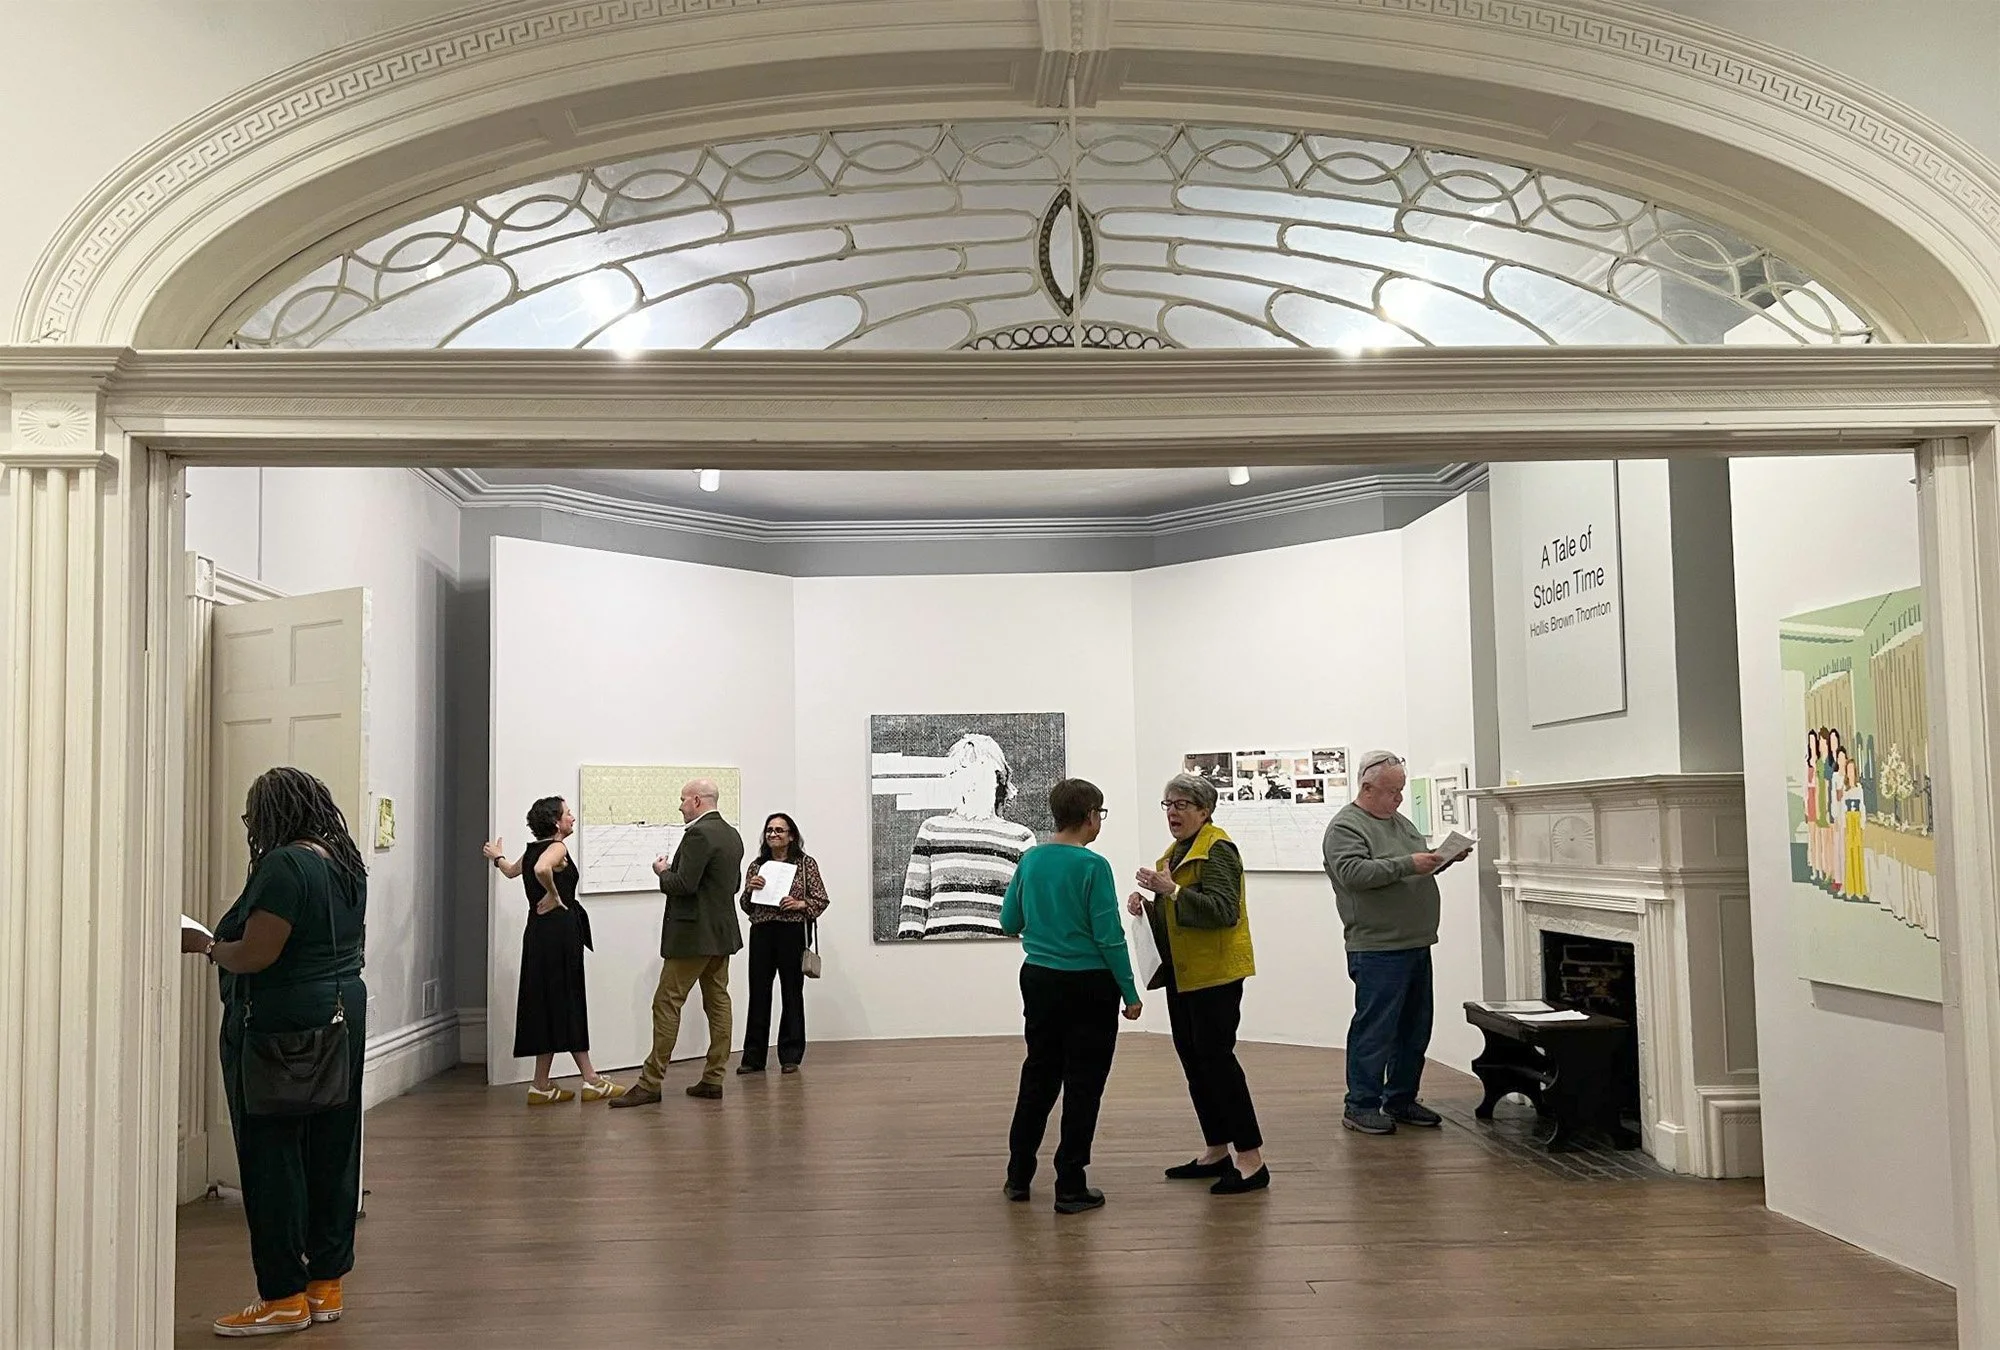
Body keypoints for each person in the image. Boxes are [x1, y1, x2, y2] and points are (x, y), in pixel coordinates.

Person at [179, 767, 369, 1338]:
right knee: (332, 1149)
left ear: (270, 816)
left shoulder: (285, 865)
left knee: (273, 1159)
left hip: (280, 1027)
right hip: (340, 1013)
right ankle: (325, 1286)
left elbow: (258, 954)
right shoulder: (344, 862)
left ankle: (284, 1296)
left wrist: (208, 945)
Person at [1000, 778, 1143, 1213]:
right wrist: (1130, 991)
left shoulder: (1031, 859)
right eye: (1100, 814)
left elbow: (1009, 921)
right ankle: (1070, 1184)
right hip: (1089, 986)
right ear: (1089, 816)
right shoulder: (1093, 866)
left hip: (1039, 978)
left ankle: (1018, 1176)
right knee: (1084, 1085)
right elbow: (1109, 935)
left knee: (1038, 1076)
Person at [1128, 772, 1269, 1195]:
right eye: (1168, 804)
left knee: (1219, 1063)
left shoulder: (1218, 849)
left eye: (1182, 805)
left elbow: (1223, 911)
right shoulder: (1173, 854)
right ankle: (1216, 1149)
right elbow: (1179, 919)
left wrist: (1170, 892)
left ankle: (1251, 1159)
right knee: (1195, 1062)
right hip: (1183, 976)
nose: (1172, 812)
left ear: (1204, 811)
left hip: (1216, 976)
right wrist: (1146, 908)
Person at [1322, 749, 1469, 1136]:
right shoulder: (1346, 827)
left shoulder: (1401, 823)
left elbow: (1411, 865)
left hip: (1416, 940)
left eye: (1401, 790)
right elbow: (1353, 873)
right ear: (1367, 787)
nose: (1399, 798)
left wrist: (1442, 859)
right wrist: (1411, 864)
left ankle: (1401, 1097)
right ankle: (1361, 1105)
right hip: (1377, 946)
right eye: (1392, 791)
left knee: (1414, 1028)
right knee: (1376, 1028)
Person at [483, 796, 625, 1104]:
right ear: (556, 822)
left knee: (546, 1000)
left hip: (538, 933)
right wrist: (554, 894)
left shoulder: (533, 848)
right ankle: (591, 1080)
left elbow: (510, 871)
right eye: (568, 813)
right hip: (559, 931)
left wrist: (497, 857)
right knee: (568, 998)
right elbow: (542, 869)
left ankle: (541, 1084)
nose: (572, 817)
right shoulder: (556, 847)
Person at [612, 778, 745, 1105]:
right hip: (721, 934)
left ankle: (650, 1082)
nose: (681, 805)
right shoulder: (731, 834)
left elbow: (684, 885)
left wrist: (662, 871)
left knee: (667, 1002)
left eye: (684, 799)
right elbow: (731, 884)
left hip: (693, 936)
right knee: (718, 1002)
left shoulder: (698, 834)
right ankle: (714, 1078)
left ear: (698, 801)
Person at [898, 732, 1037, 939]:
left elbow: (1030, 911)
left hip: (1000, 957)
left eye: (978, 770)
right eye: (960, 771)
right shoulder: (932, 830)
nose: (970, 780)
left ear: (998, 778)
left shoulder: (1020, 837)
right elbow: (914, 904)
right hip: (935, 958)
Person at [737, 812, 831, 1075]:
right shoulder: (757, 866)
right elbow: (746, 906)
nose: (773, 835)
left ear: (791, 836)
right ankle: (753, 1058)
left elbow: (821, 900)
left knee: (791, 992)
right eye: (769, 830)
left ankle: (790, 1055)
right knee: (758, 993)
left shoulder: (805, 864)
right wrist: (749, 891)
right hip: (762, 932)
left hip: (792, 932)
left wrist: (800, 904)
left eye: (779, 830)